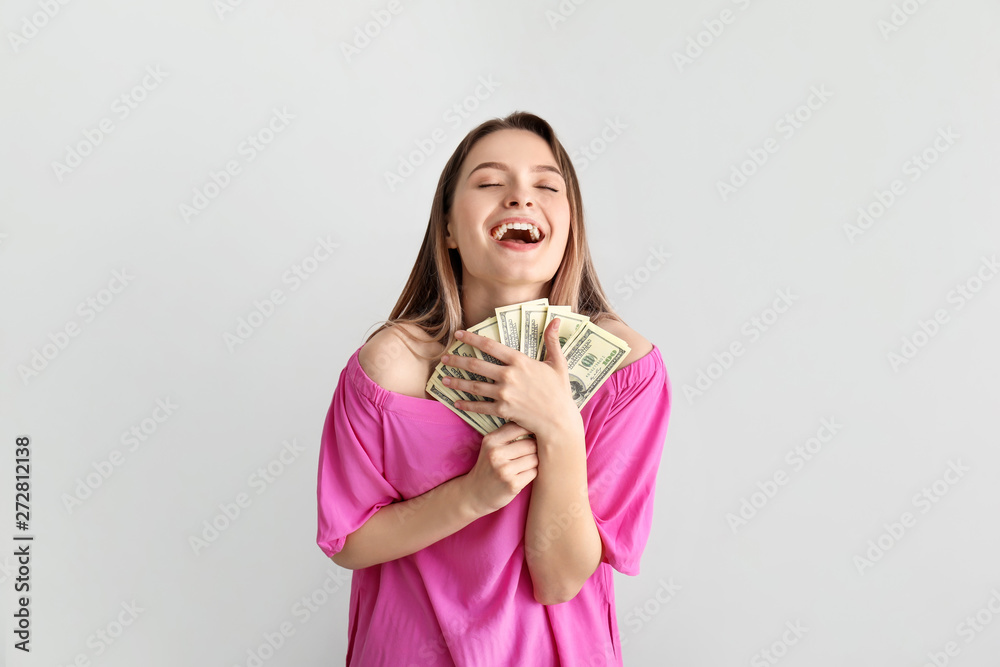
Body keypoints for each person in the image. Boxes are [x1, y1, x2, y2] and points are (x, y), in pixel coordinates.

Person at [315, 111, 671, 666]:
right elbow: (349, 542)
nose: (520, 198)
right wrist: (472, 495)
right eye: (488, 182)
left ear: (570, 225)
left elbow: (558, 579)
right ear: (450, 228)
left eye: (546, 186)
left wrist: (559, 428)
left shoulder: (624, 371)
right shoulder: (388, 368)